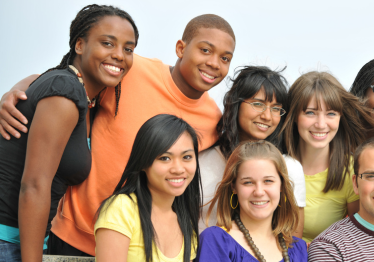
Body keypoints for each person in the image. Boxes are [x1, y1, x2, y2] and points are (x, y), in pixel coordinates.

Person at [0, 14, 235, 256]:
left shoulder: (213, 121)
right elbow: (61, 80)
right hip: (69, 234)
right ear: (180, 48)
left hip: (134, 246)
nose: (214, 63)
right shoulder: (131, 70)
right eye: (206, 50)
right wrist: (14, 92)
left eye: (225, 58)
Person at [0, 5, 138, 262]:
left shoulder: (79, 93)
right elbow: (34, 185)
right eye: (107, 43)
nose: (119, 55)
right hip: (8, 242)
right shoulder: (65, 90)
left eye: (128, 49)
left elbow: (36, 78)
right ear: (80, 45)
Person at [198, 66, 306, 237]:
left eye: (276, 108)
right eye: (258, 104)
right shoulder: (202, 161)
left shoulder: (290, 168)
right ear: (236, 103)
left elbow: (292, 239)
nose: (267, 116)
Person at [281, 71, 372, 242]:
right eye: (310, 112)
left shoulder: (351, 169)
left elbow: (359, 237)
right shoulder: (274, 163)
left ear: (340, 117)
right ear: (294, 116)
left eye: (331, 113)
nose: (321, 124)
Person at [95, 114, 201, 262]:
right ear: (143, 162)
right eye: (165, 158)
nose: (178, 169)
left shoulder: (185, 219)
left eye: (187, 157)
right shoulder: (122, 208)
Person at [198, 140, 307, 261]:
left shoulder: (298, 248)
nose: (259, 192)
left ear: (281, 185)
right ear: (234, 187)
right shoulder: (216, 241)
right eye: (248, 182)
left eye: (268, 181)